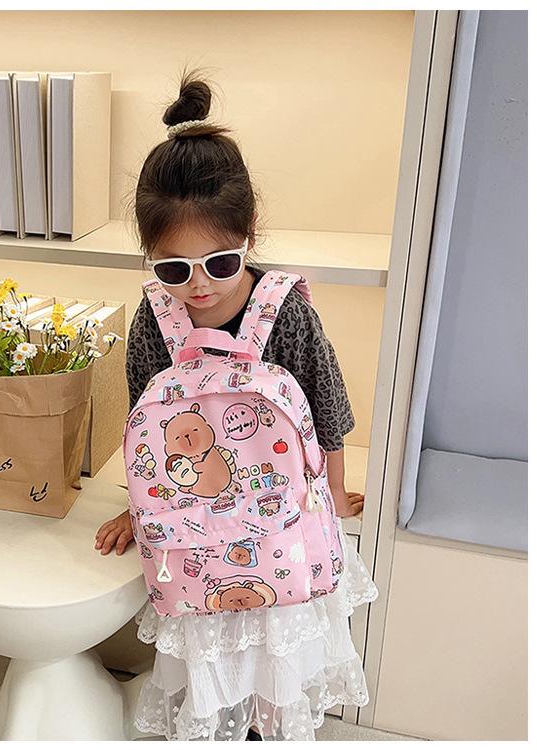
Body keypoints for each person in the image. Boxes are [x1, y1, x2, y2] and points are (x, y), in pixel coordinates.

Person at [95, 69, 379, 741]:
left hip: (282, 527)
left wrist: (334, 496)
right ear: (150, 258)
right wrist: (139, 508)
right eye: (172, 268)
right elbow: (145, 423)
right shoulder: (153, 317)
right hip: (194, 537)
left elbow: (327, 409)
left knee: (279, 659)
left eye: (219, 263)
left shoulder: (286, 312)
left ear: (249, 232)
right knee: (210, 664)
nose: (197, 287)